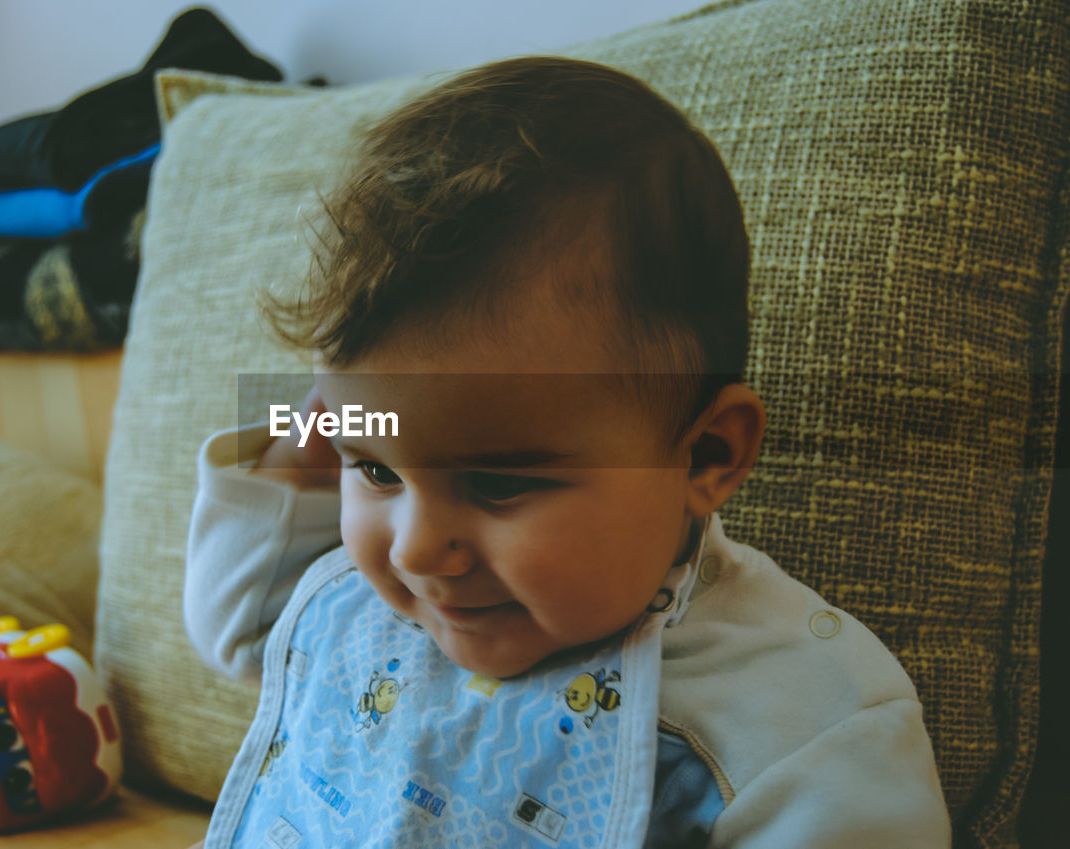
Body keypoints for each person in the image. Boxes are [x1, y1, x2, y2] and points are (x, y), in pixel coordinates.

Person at [184, 56, 950, 847]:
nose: (416, 548)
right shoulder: (377, 601)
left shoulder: (801, 727)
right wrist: (308, 434)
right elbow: (237, 626)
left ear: (707, 455)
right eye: (376, 468)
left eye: (498, 480)